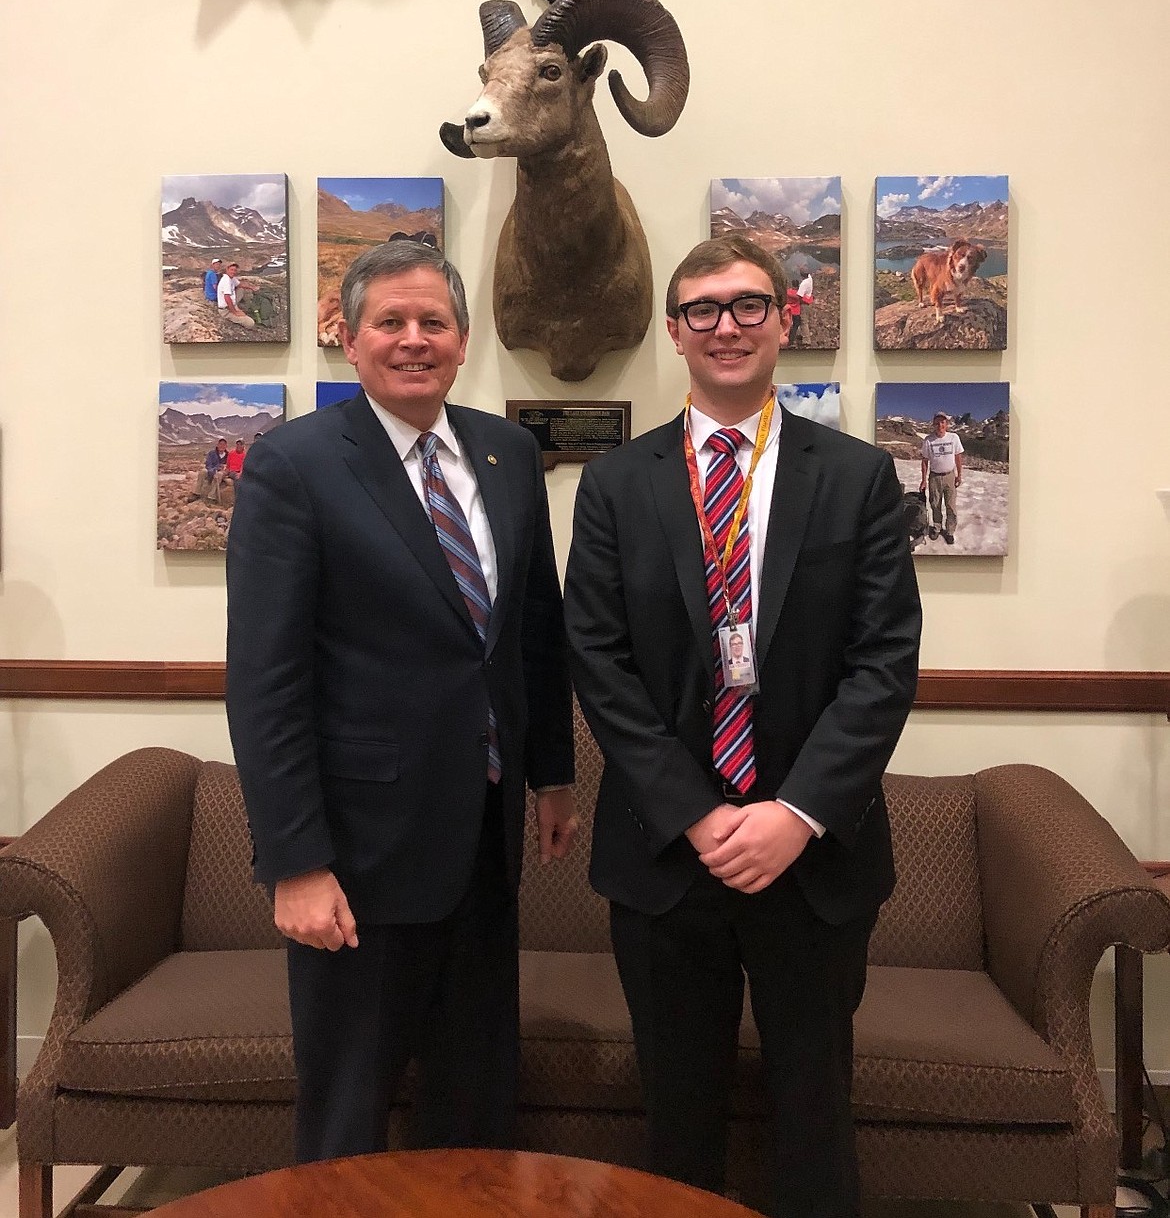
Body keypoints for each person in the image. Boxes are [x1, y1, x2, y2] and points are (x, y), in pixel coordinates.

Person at [563, 234, 921, 1218]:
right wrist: (694, 811)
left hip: (815, 862)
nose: (727, 326)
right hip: (666, 861)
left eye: (748, 305)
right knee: (676, 1121)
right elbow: (599, 661)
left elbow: (884, 665)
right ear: (675, 333)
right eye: (704, 310)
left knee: (814, 1116)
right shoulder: (616, 486)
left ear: (785, 318)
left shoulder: (855, 478)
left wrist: (795, 812)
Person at [225, 239, 578, 1164]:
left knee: (474, 1109)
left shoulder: (506, 453)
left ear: (464, 343)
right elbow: (266, 684)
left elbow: (534, 629)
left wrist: (552, 777)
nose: (413, 340)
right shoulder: (293, 466)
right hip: (359, 857)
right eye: (391, 322)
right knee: (349, 1115)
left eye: (435, 323)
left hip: (485, 839)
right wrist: (295, 863)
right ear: (350, 338)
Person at [919, 410, 963, 545]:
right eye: (937, 423)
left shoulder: (953, 438)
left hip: (949, 476)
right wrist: (923, 480)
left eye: (942, 422)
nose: (940, 425)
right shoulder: (928, 440)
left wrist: (959, 475)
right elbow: (925, 460)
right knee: (935, 504)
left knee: (951, 506)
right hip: (934, 477)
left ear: (947, 424)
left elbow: (958, 457)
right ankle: (937, 528)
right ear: (934, 424)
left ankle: (949, 531)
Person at [217, 262, 255, 330]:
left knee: (241, 290)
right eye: (231, 270)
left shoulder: (231, 278)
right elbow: (227, 298)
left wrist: (252, 287)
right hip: (226, 310)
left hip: (231, 305)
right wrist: (235, 312)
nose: (233, 272)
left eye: (235, 270)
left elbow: (240, 285)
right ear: (227, 270)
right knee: (250, 323)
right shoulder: (226, 280)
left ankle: (237, 308)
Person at [193, 437, 229, 502]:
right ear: (217, 445)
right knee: (202, 472)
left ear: (226, 446)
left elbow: (227, 466)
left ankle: (211, 496)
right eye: (220, 444)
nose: (222, 446)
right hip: (211, 469)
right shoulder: (212, 453)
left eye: (224, 445)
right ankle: (197, 493)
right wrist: (212, 470)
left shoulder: (228, 455)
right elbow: (208, 464)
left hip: (221, 472)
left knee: (219, 475)